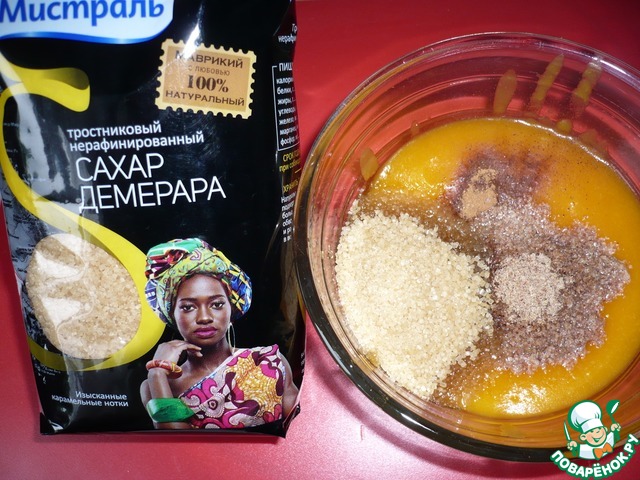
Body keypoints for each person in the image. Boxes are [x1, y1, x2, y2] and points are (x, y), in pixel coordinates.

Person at [140, 237, 299, 430]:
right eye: (188, 307)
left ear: (232, 309)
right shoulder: (156, 384)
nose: (204, 317)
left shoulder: (268, 363)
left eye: (216, 304)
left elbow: (302, 429)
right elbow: (179, 443)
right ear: (172, 314)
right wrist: (157, 371)